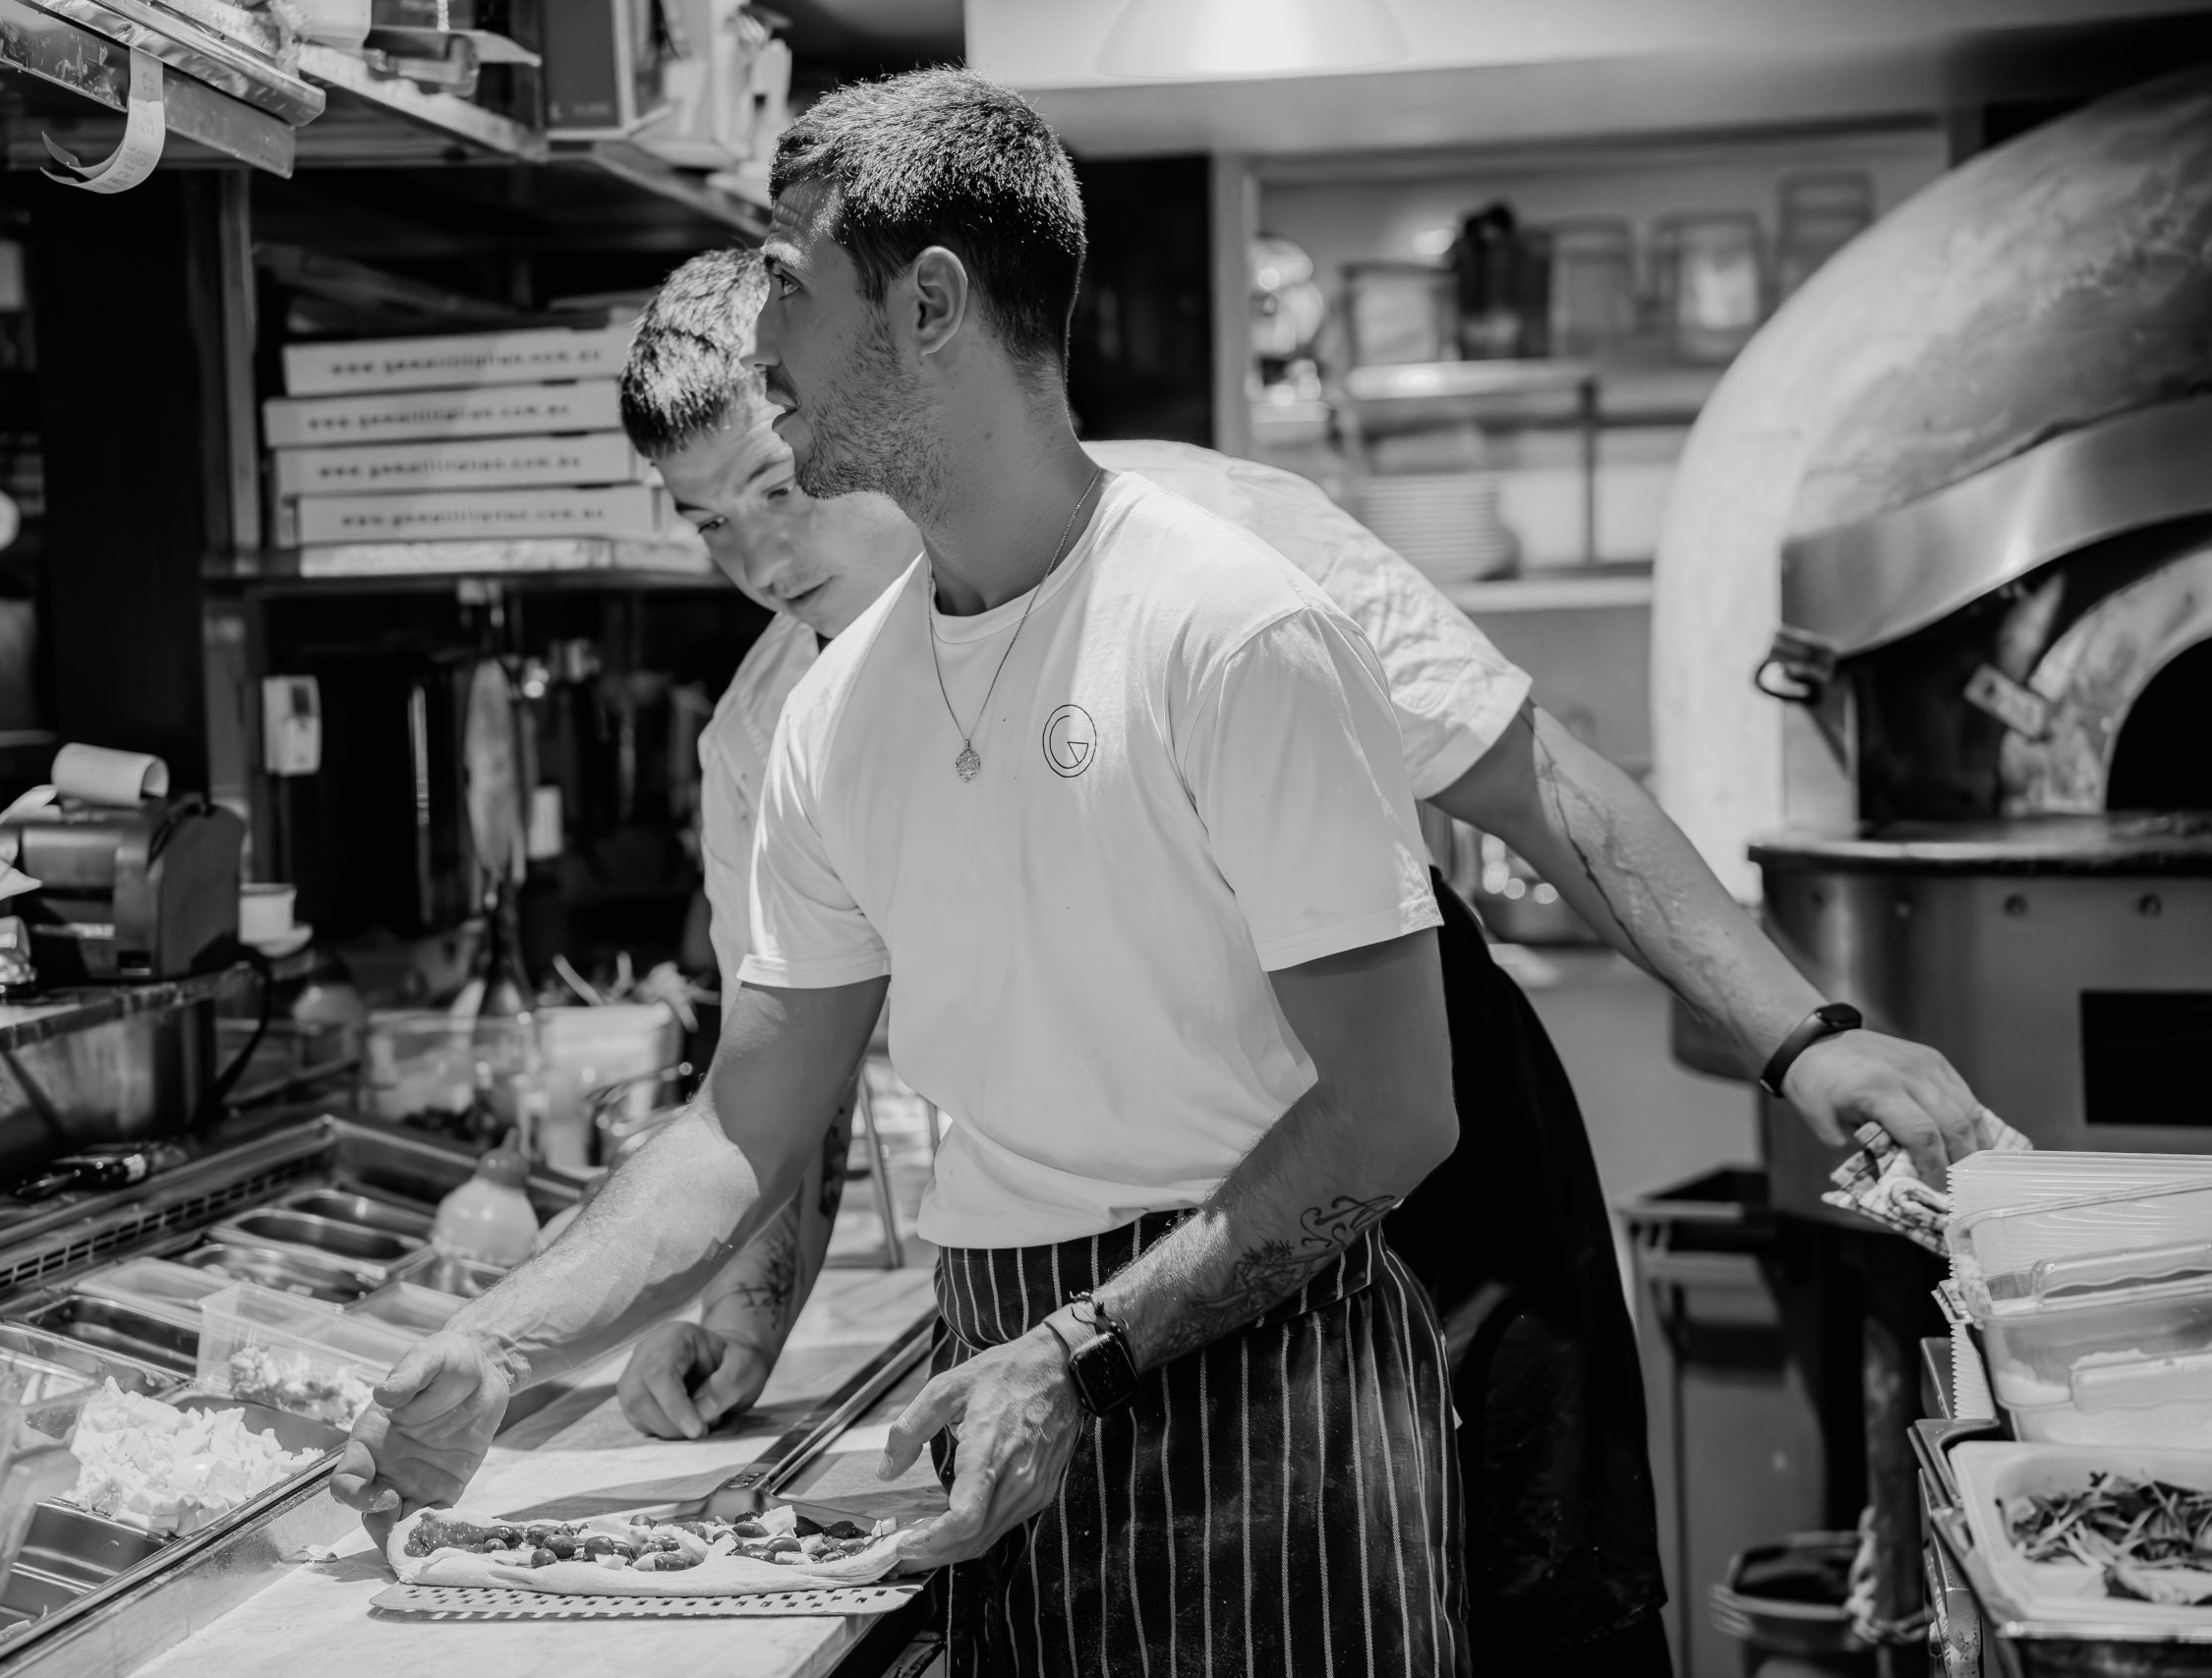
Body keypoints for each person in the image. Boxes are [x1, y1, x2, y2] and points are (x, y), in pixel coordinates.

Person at [607, 241, 2016, 1667]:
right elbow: (797, 1060)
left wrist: (1804, 1037)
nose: (759, 563)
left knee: (1537, 1614)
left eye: (777, 487)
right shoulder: (772, 733)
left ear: (846, 401)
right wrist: (747, 1316)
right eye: (707, 524)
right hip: (1152, 1262)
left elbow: (1542, 791)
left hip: (1433, 1164)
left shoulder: (1213, 546)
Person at [338, 67, 1473, 1675]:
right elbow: (750, 1118)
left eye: (795, 288)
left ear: (932, 306)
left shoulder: (1231, 632)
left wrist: (1083, 1354)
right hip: (989, 1369)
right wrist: (498, 1343)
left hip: (1261, 1381)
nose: (769, 342)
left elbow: (1397, 1108)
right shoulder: (829, 720)